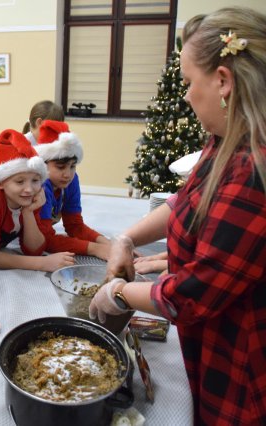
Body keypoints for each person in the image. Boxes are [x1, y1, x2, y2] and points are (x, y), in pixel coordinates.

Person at [89, 7, 266, 423]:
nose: (186, 95)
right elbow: (184, 202)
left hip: (240, 357)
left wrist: (117, 293)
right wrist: (126, 239)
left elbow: (190, 294)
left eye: (189, 83)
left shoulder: (254, 172)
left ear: (223, 81)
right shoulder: (226, 139)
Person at [0, 129, 75, 271]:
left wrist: (28, 213)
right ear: (1, 182)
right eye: (20, 182)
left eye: (35, 180)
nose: (29, 189)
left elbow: (34, 250)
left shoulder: (32, 197)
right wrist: (42, 264)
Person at [34, 120, 111, 260]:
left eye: (72, 166)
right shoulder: (40, 186)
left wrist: (107, 243)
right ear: (42, 165)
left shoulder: (72, 180)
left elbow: (74, 225)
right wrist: (94, 248)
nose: (68, 174)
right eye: (60, 167)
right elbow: (45, 240)